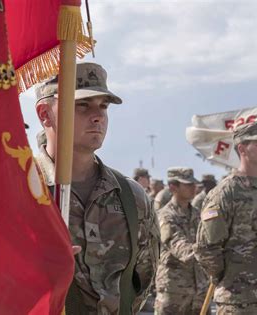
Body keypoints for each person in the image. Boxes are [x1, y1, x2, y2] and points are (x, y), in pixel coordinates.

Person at [34, 62, 159, 314]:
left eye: (103, 106)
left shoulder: (131, 197)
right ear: (45, 114)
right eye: (82, 105)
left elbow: (143, 279)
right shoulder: (19, 189)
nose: (98, 116)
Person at [194, 122, 257, 314]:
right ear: (242, 149)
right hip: (239, 301)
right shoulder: (225, 193)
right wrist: (228, 279)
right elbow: (207, 248)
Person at [155, 168, 208, 315]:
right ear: (173, 187)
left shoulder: (197, 214)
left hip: (199, 290)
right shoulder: (165, 216)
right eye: (188, 185)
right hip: (175, 291)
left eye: (193, 184)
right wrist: (211, 252)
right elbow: (180, 248)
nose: (193, 188)